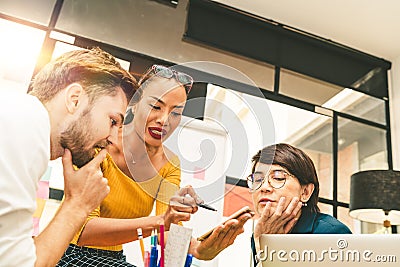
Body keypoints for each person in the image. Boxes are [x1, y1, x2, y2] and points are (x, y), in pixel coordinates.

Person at [57, 64, 252, 266]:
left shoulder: (169, 165)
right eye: (156, 107)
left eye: (176, 113)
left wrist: (197, 249)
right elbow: (82, 230)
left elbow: (165, 232)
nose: (164, 120)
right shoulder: (102, 142)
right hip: (69, 253)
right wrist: (161, 221)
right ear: (134, 103)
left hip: (113, 259)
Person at [0, 47, 137, 267]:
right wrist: (78, 205)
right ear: (74, 100)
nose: (112, 139)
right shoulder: (25, 128)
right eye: (112, 121)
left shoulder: (19, 119)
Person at [248, 143, 351, 266]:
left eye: (278, 177)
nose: (263, 187)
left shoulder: (331, 233)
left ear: (305, 192)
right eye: (257, 180)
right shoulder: (262, 232)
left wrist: (268, 252)